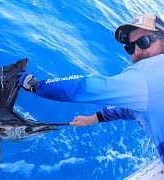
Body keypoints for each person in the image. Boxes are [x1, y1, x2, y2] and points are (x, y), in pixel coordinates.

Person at [15, 14, 164, 162]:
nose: (136, 52)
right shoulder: (152, 88)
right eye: (130, 47)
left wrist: (34, 86)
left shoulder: (148, 74)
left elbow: (84, 86)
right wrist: (95, 118)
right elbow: (134, 109)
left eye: (144, 42)